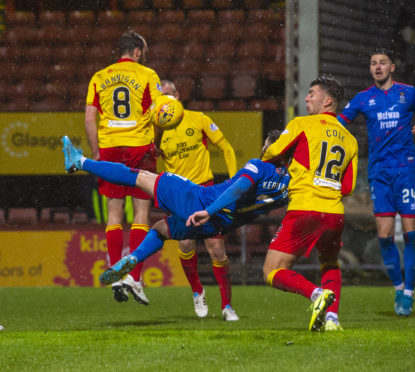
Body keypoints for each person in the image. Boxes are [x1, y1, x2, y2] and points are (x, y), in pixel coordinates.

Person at [62, 132, 288, 322]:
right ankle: (135, 259)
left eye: (267, 144)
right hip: (219, 226)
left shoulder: (259, 166)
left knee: (138, 176)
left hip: (199, 201)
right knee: (161, 229)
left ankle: (79, 162)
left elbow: (237, 189)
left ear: (274, 149)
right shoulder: (288, 186)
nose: (263, 147)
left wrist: (208, 210)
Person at [337, 48, 415, 316]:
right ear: (370, 69)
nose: (377, 67)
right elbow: (338, 123)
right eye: (373, 63)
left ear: (393, 67)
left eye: (382, 63)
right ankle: (398, 286)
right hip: (379, 173)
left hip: (406, 170)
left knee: (411, 233)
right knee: (384, 237)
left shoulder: (409, 93)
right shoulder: (363, 98)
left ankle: (409, 293)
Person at [259, 75, 358, 331]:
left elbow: (272, 152)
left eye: (312, 93)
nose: (306, 97)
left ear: (327, 101)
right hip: (334, 214)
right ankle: (333, 320)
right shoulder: (350, 139)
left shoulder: (302, 124)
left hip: (305, 208)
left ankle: (316, 294)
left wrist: (271, 150)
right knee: (330, 262)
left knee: (271, 270)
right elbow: (348, 187)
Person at [85, 31, 163, 305]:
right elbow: (160, 112)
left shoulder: (99, 76)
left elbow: (89, 117)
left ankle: (116, 272)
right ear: (138, 52)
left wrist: (96, 153)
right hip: (139, 147)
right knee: (142, 213)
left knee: (114, 214)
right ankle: (135, 277)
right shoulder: (148, 75)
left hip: (109, 148)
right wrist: (157, 141)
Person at [158, 80, 238, 320]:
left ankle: (227, 306)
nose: (167, 103)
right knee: (185, 245)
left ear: (178, 96)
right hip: (178, 195)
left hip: (204, 191)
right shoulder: (157, 132)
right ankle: (197, 291)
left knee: (216, 248)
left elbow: (227, 147)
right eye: (162, 99)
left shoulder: (199, 119)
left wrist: (235, 182)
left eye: (170, 96)